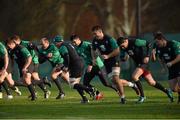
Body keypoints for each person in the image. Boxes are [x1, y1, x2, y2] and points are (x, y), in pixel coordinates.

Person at [70, 34, 139, 100]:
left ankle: (131, 85)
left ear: (78, 39)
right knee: (85, 83)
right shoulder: (77, 49)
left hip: (99, 66)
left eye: (74, 42)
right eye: (72, 43)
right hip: (90, 68)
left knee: (107, 83)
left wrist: (91, 64)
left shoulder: (87, 44)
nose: (74, 44)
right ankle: (98, 94)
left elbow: (95, 53)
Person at [117, 36, 174, 103]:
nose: (122, 47)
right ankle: (167, 91)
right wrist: (124, 58)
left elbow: (149, 44)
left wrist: (147, 56)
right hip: (139, 64)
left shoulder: (135, 42)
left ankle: (142, 96)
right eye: (121, 46)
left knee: (134, 76)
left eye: (123, 45)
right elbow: (123, 57)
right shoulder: (123, 48)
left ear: (126, 41)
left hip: (143, 63)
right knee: (151, 82)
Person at [53, 35, 95, 103]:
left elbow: (67, 56)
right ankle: (85, 99)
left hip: (76, 65)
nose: (55, 44)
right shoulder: (68, 44)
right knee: (76, 84)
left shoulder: (62, 46)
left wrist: (66, 66)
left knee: (72, 85)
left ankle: (91, 89)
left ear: (59, 42)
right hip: (79, 63)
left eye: (56, 43)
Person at [91, 25, 126, 104]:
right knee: (113, 81)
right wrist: (94, 59)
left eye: (95, 33)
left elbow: (117, 50)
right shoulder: (95, 41)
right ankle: (131, 85)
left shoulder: (109, 39)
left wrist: (108, 56)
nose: (94, 35)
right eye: (93, 34)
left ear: (100, 32)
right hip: (106, 62)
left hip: (114, 59)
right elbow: (93, 50)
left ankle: (123, 97)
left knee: (116, 78)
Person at [152, 31, 180, 103]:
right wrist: (163, 67)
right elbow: (159, 59)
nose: (157, 44)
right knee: (173, 89)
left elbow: (179, 57)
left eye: (158, 42)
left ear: (162, 40)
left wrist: (171, 62)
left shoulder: (173, 44)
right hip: (171, 68)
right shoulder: (158, 48)